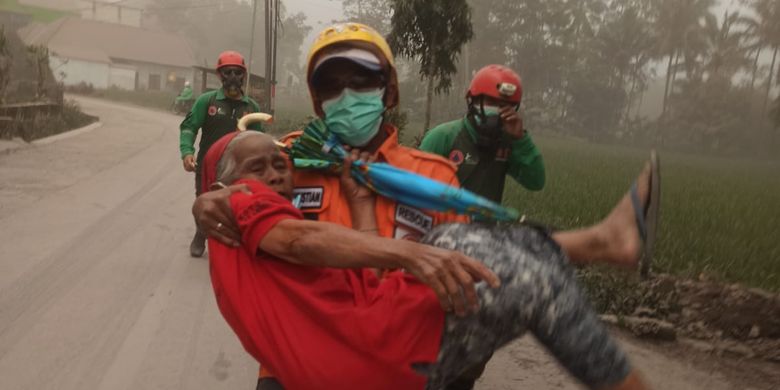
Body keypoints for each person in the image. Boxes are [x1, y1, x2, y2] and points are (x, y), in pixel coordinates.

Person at [192, 23, 660, 390]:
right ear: (317, 101)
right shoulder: (290, 160)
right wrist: (209, 198)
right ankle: (601, 242)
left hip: (392, 355)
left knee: (480, 252)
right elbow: (249, 189)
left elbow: (456, 288)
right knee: (505, 265)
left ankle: (601, 243)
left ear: (389, 91)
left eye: (362, 81)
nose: (347, 95)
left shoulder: (430, 175)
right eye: (332, 86)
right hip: (292, 371)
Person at [201, 130, 654, 390]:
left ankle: (602, 242)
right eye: (256, 167)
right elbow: (300, 239)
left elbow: (365, 278)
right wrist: (412, 252)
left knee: (506, 254)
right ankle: (602, 245)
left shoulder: (251, 236)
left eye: (278, 163)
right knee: (524, 279)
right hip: (372, 347)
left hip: (362, 356)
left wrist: (361, 203)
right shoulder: (239, 203)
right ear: (224, 183)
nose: (274, 174)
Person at [179, 50, 264, 258]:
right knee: (205, 202)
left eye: (237, 72)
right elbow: (189, 128)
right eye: (228, 72)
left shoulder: (251, 107)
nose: (233, 77)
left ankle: (231, 242)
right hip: (208, 165)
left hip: (238, 168)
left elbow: (260, 140)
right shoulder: (207, 102)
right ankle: (201, 234)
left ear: (243, 75)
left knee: (236, 206)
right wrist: (187, 152)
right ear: (220, 75)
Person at [419, 65, 545, 204]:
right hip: (443, 221)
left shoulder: (507, 144)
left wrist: (520, 140)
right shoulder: (443, 136)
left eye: (505, 106)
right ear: (473, 101)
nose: (498, 110)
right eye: (492, 102)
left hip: (484, 225)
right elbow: (415, 186)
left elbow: (536, 182)